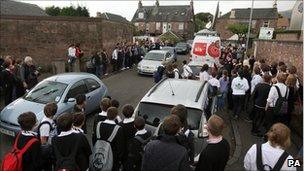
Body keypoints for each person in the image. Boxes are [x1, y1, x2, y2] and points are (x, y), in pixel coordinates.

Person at [92, 107, 124, 171]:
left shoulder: (99, 124)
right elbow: (120, 148)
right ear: (116, 116)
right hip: (112, 161)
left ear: (107, 115)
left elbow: (93, 140)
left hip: (97, 155)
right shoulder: (118, 129)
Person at [120, 104, 137, 169]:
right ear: (132, 112)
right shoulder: (136, 123)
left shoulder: (120, 125)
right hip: (134, 149)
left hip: (124, 150)